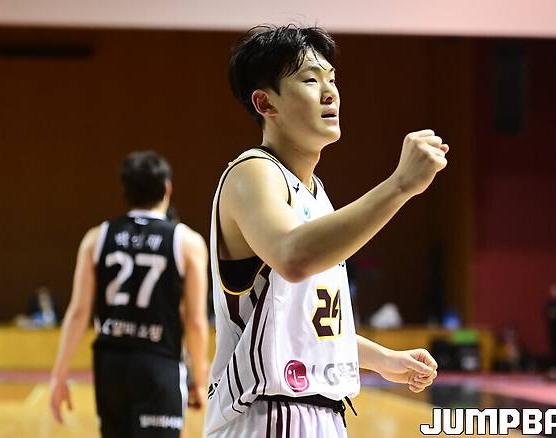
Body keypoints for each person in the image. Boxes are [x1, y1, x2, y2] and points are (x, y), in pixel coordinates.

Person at [205, 25, 445, 437]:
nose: (330, 92)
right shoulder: (252, 172)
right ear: (265, 102)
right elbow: (292, 256)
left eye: (331, 79)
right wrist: (400, 185)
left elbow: (303, 327)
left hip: (321, 412)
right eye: (310, 80)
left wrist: (384, 360)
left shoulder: (316, 194)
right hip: (266, 413)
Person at [49, 151, 209, 438]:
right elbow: (196, 321)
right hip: (158, 363)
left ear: (125, 191)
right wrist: (200, 377)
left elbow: (78, 312)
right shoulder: (187, 242)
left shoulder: (96, 238)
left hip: (111, 366)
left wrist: (59, 375)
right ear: (167, 188)